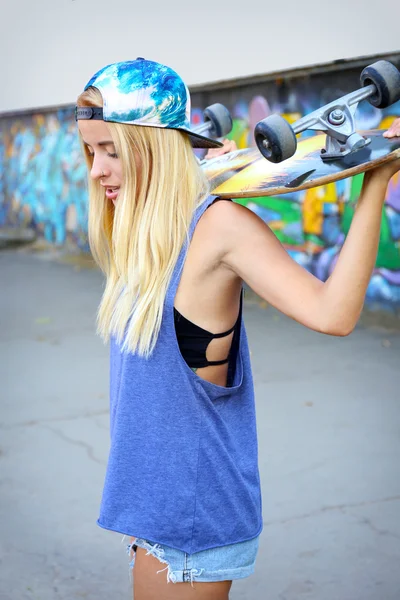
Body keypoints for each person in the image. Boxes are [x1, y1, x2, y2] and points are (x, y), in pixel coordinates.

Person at [75, 58, 400, 600]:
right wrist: (210, 163)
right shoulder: (151, 231)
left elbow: (332, 313)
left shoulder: (219, 229)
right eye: (90, 152)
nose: (96, 171)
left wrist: (377, 177)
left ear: (151, 146)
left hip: (191, 518)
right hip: (157, 507)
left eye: (112, 150)